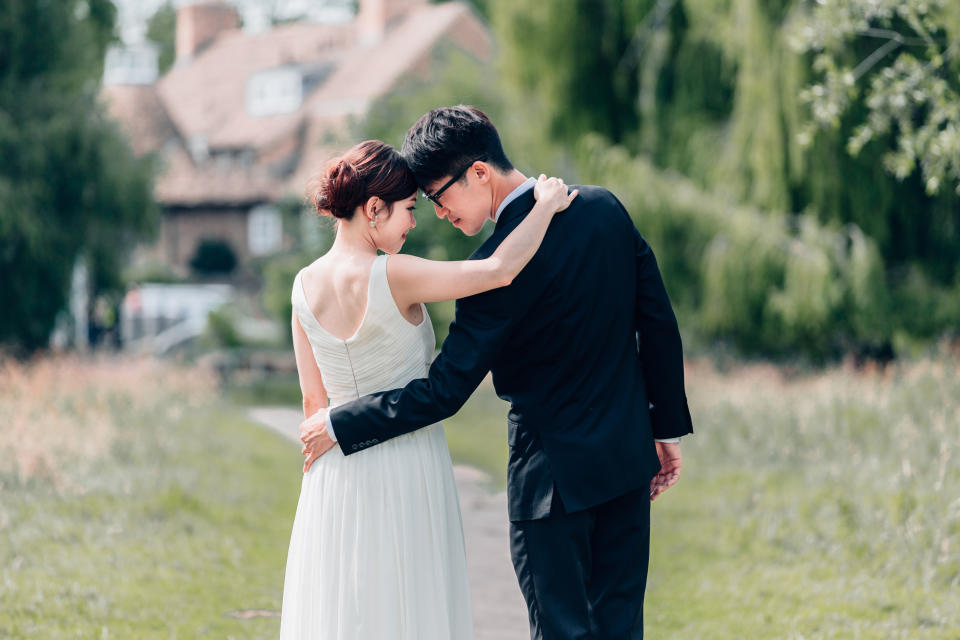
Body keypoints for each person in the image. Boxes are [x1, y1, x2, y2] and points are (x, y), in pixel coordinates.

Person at [299, 107, 695, 639]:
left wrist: (341, 423)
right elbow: (658, 324)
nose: (437, 214)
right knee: (621, 628)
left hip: (549, 483)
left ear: (479, 173)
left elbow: (443, 392)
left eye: (438, 197)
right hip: (626, 461)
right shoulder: (605, 210)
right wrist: (662, 427)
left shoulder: (489, 276)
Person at [280, 139, 577, 640]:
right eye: (409, 209)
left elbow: (314, 405)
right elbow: (498, 271)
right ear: (374, 209)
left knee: (344, 608)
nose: (414, 223)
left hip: (333, 471)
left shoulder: (302, 286)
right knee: (408, 605)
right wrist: (544, 208)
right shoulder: (396, 273)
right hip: (405, 461)